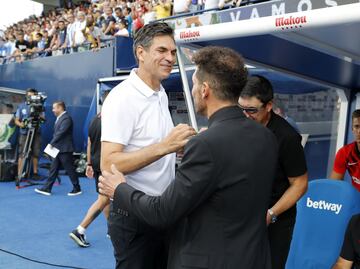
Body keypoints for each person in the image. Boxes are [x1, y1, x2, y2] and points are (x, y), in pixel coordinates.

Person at [99, 46, 278, 269]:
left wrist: (119, 188)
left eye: (193, 85)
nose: (192, 91)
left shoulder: (207, 145)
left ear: (204, 90)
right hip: (254, 258)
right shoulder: (266, 137)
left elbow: (162, 212)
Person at [100, 22, 196, 269]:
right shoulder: (122, 98)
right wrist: (164, 146)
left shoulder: (160, 92)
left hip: (162, 211)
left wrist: (176, 148)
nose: (170, 58)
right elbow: (109, 163)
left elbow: (152, 147)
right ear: (140, 53)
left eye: (173, 52)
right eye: (161, 51)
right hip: (133, 216)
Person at [238, 75, 308, 269]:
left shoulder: (287, 138)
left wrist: (271, 213)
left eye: (251, 110)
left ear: (269, 105)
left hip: (275, 220)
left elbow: (300, 184)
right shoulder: (240, 126)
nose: (245, 115)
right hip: (244, 216)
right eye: (241, 109)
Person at [69, 91, 111, 248]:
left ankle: (111, 229)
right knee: (103, 199)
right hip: (107, 165)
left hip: (97, 164)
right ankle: (80, 229)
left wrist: (88, 164)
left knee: (104, 198)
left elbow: (89, 142)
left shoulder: (95, 119)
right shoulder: (111, 120)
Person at [35, 101, 81, 196]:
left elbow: (61, 133)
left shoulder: (67, 118)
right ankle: (47, 188)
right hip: (58, 148)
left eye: (54, 108)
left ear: (60, 108)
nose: (53, 110)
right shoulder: (60, 118)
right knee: (53, 169)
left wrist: (51, 144)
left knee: (69, 169)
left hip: (65, 149)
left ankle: (77, 188)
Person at [15, 88, 43, 180]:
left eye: (32, 95)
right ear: (26, 96)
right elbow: (16, 120)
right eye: (28, 95)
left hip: (36, 132)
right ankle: (19, 174)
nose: (30, 97)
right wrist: (22, 124)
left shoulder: (40, 106)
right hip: (24, 133)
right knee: (22, 153)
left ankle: (35, 173)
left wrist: (40, 118)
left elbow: (43, 120)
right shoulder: (21, 106)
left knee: (35, 153)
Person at [330, 109, 360, 192]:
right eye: (356, 126)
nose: (359, 131)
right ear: (352, 129)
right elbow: (334, 186)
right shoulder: (344, 153)